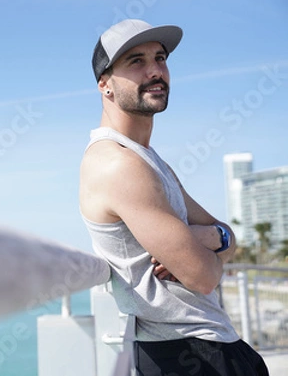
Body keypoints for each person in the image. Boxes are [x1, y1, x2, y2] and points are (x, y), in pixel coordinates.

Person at [79, 19, 269, 376]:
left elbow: (227, 234)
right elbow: (203, 276)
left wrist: (209, 237)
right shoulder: (118, 164)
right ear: (105, 84)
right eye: (135, 61)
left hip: (215, 346)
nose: (155, 71)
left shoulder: (149, 160)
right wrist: (208, 248)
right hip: (184, 355)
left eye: (160, 58)